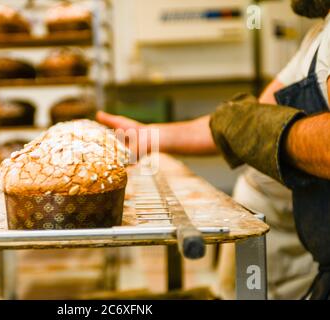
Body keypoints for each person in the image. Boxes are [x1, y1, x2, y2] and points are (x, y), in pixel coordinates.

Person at [97, 0, 330, 299]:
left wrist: (264, 130)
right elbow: (245, 121)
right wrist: (149, 136)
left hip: (292, 247)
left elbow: (255, 125)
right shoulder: (317, 37)